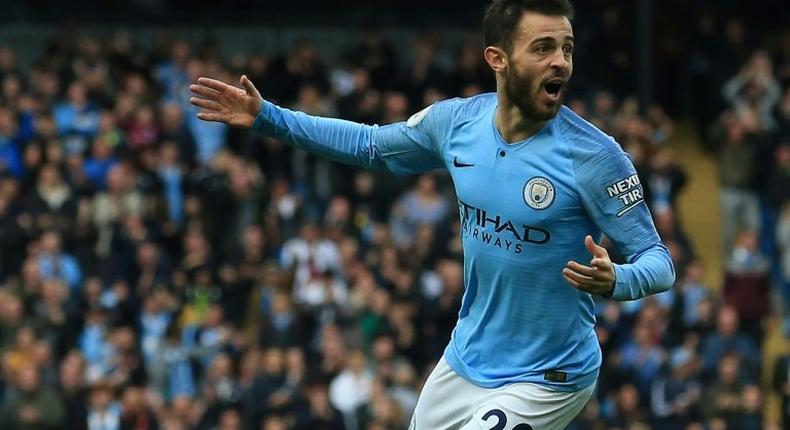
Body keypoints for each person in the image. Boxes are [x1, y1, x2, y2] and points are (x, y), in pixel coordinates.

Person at [189, 0, 675, 428]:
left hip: (549, 374)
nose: (560, 62)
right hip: (468, 356)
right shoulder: (456, 124)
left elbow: (659, 260)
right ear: (497, 59)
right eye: (543, 48)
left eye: (566, 48)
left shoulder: (595, 156)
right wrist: (269, 117)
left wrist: (618, 280)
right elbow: (371, 144)